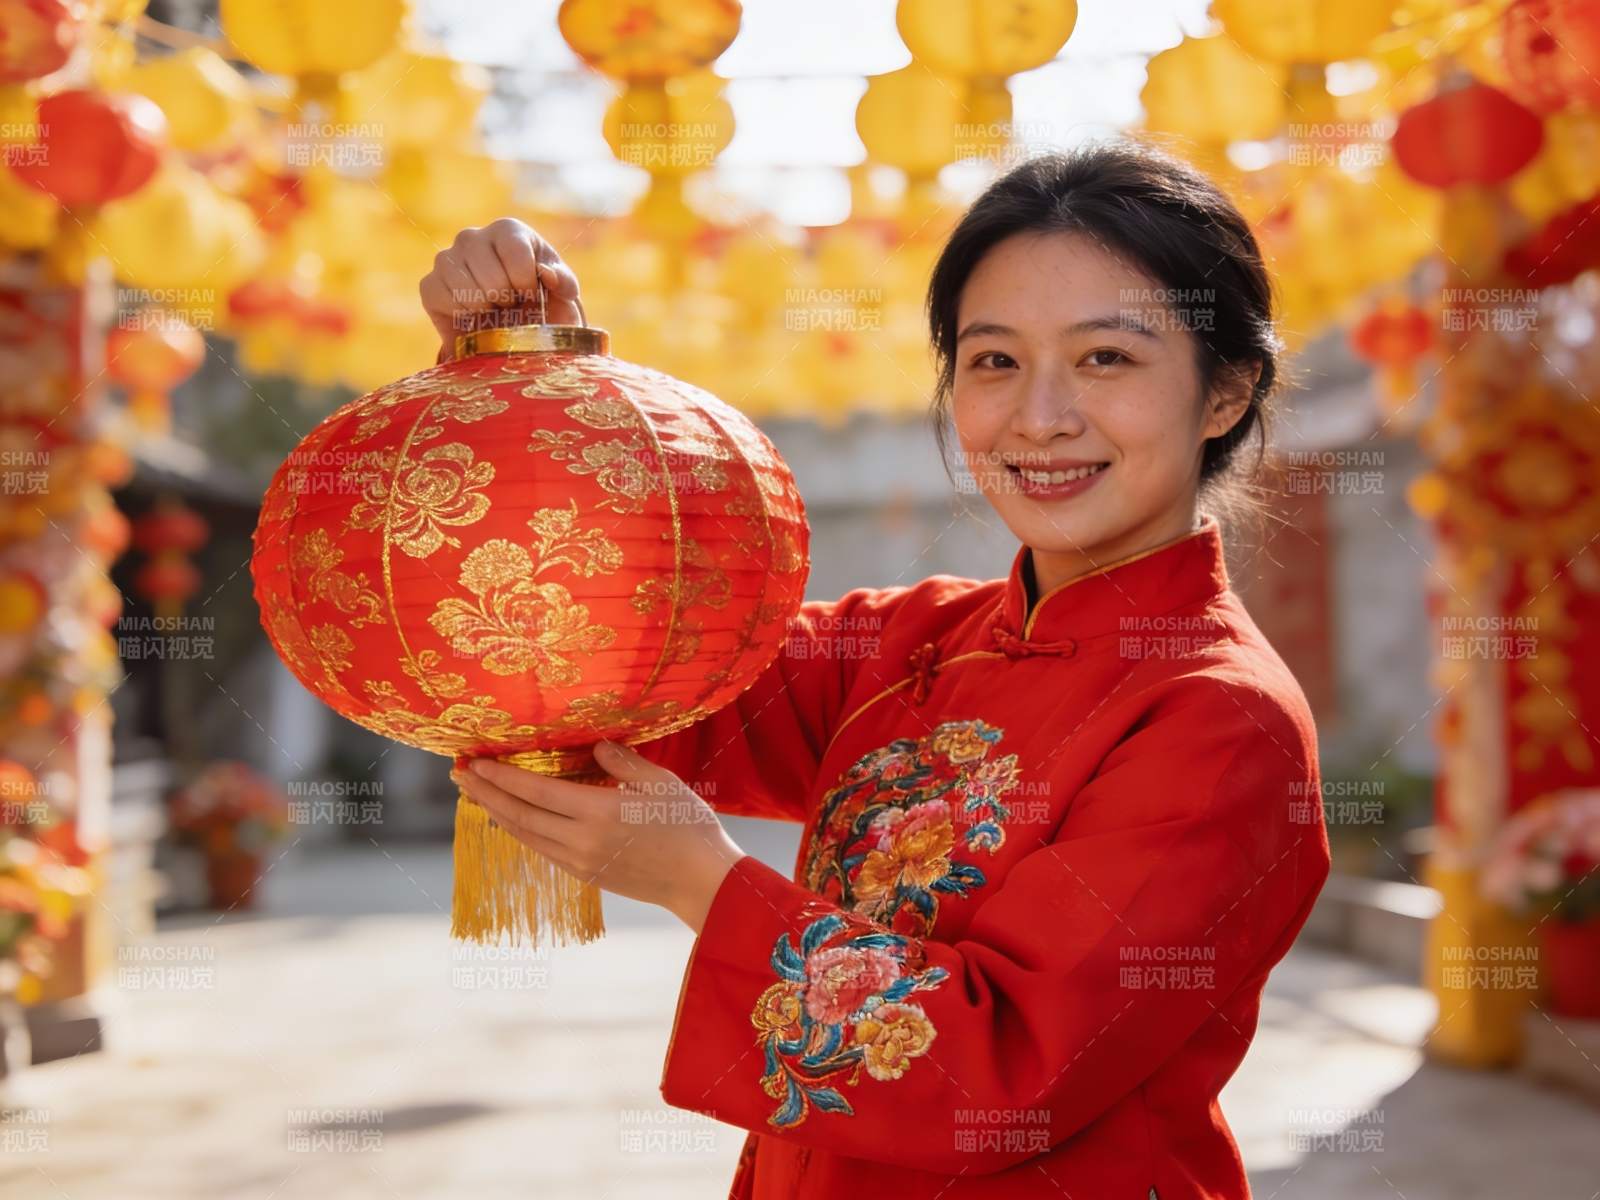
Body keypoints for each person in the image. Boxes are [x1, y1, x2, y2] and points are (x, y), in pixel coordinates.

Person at [425, 139, 1331, 1199]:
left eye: (1105, 359)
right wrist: (531, 372)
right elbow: (609, 665)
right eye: (993, 360)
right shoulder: (911, 642)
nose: (1038, 418)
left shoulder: (1219, 720)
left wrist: (703, 886)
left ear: (1224, 393)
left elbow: (1015, 1071)